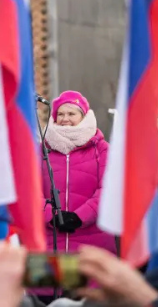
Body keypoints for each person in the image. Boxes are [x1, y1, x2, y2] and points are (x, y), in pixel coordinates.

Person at [41, 91, 115, 256]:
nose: (65, 118)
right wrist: (50, 216)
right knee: (50, 281)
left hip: (93, 241)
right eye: (60, 114)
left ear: (83, 117)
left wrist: (80, 217)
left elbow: (109, 190)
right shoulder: (41, 150)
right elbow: (30, 190)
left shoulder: (102, 150)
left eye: (71, 113)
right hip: (49, 241)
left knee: (89, 282)